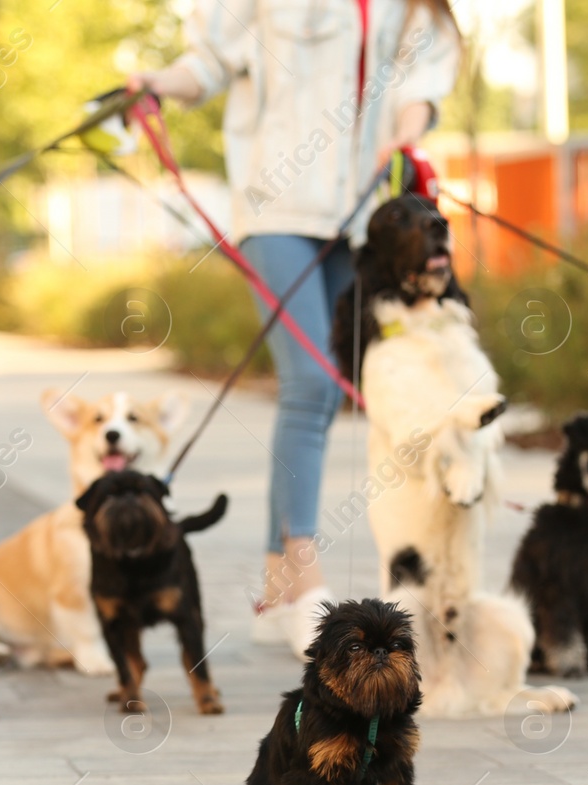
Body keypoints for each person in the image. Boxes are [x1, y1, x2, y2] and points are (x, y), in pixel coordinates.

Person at [128, 0, 460, 659]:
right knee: (310, 381)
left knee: (321, 391)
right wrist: (155, 84)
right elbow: (210, 61)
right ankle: (305, 578)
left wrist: (404, 139)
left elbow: (418, 83)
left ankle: (276, 592)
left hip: (362, 212)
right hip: (278, 205)